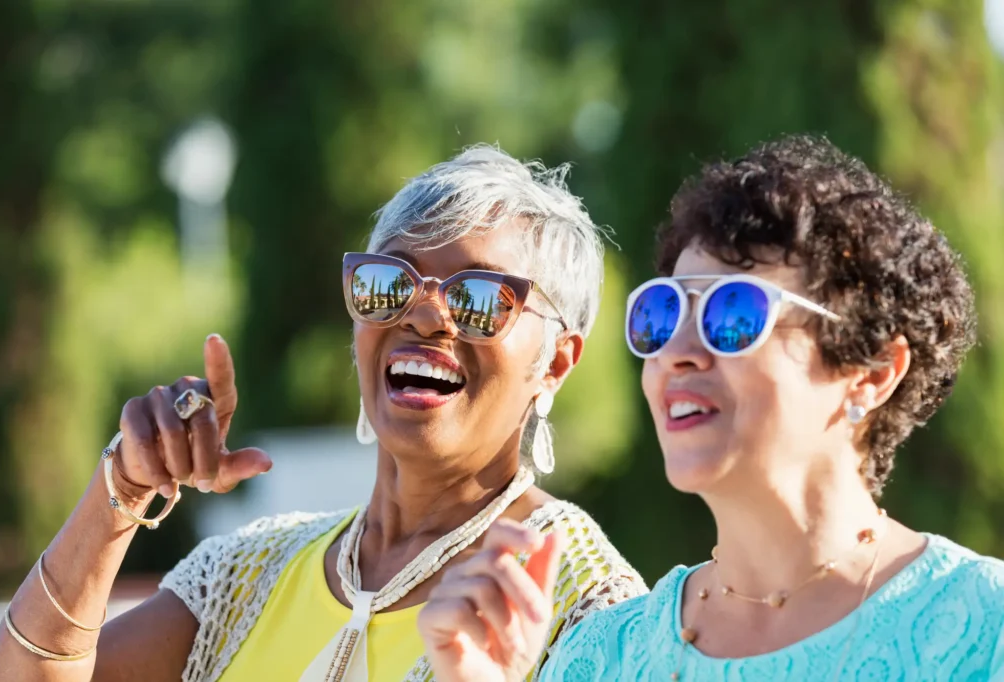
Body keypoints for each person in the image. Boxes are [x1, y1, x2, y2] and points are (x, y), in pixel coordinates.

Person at [0, 146, 646, 682]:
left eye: (477, 299)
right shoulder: (244, 576)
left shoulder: (586, 605)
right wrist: (121, 490)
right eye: (390, 284)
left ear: (556, 361)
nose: (423, 316)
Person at [418, 135, 1004, 681]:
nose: (678, 353)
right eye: (662, 315)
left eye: (732, 315)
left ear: (872, 372)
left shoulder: (983, 628)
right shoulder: (601, 656)